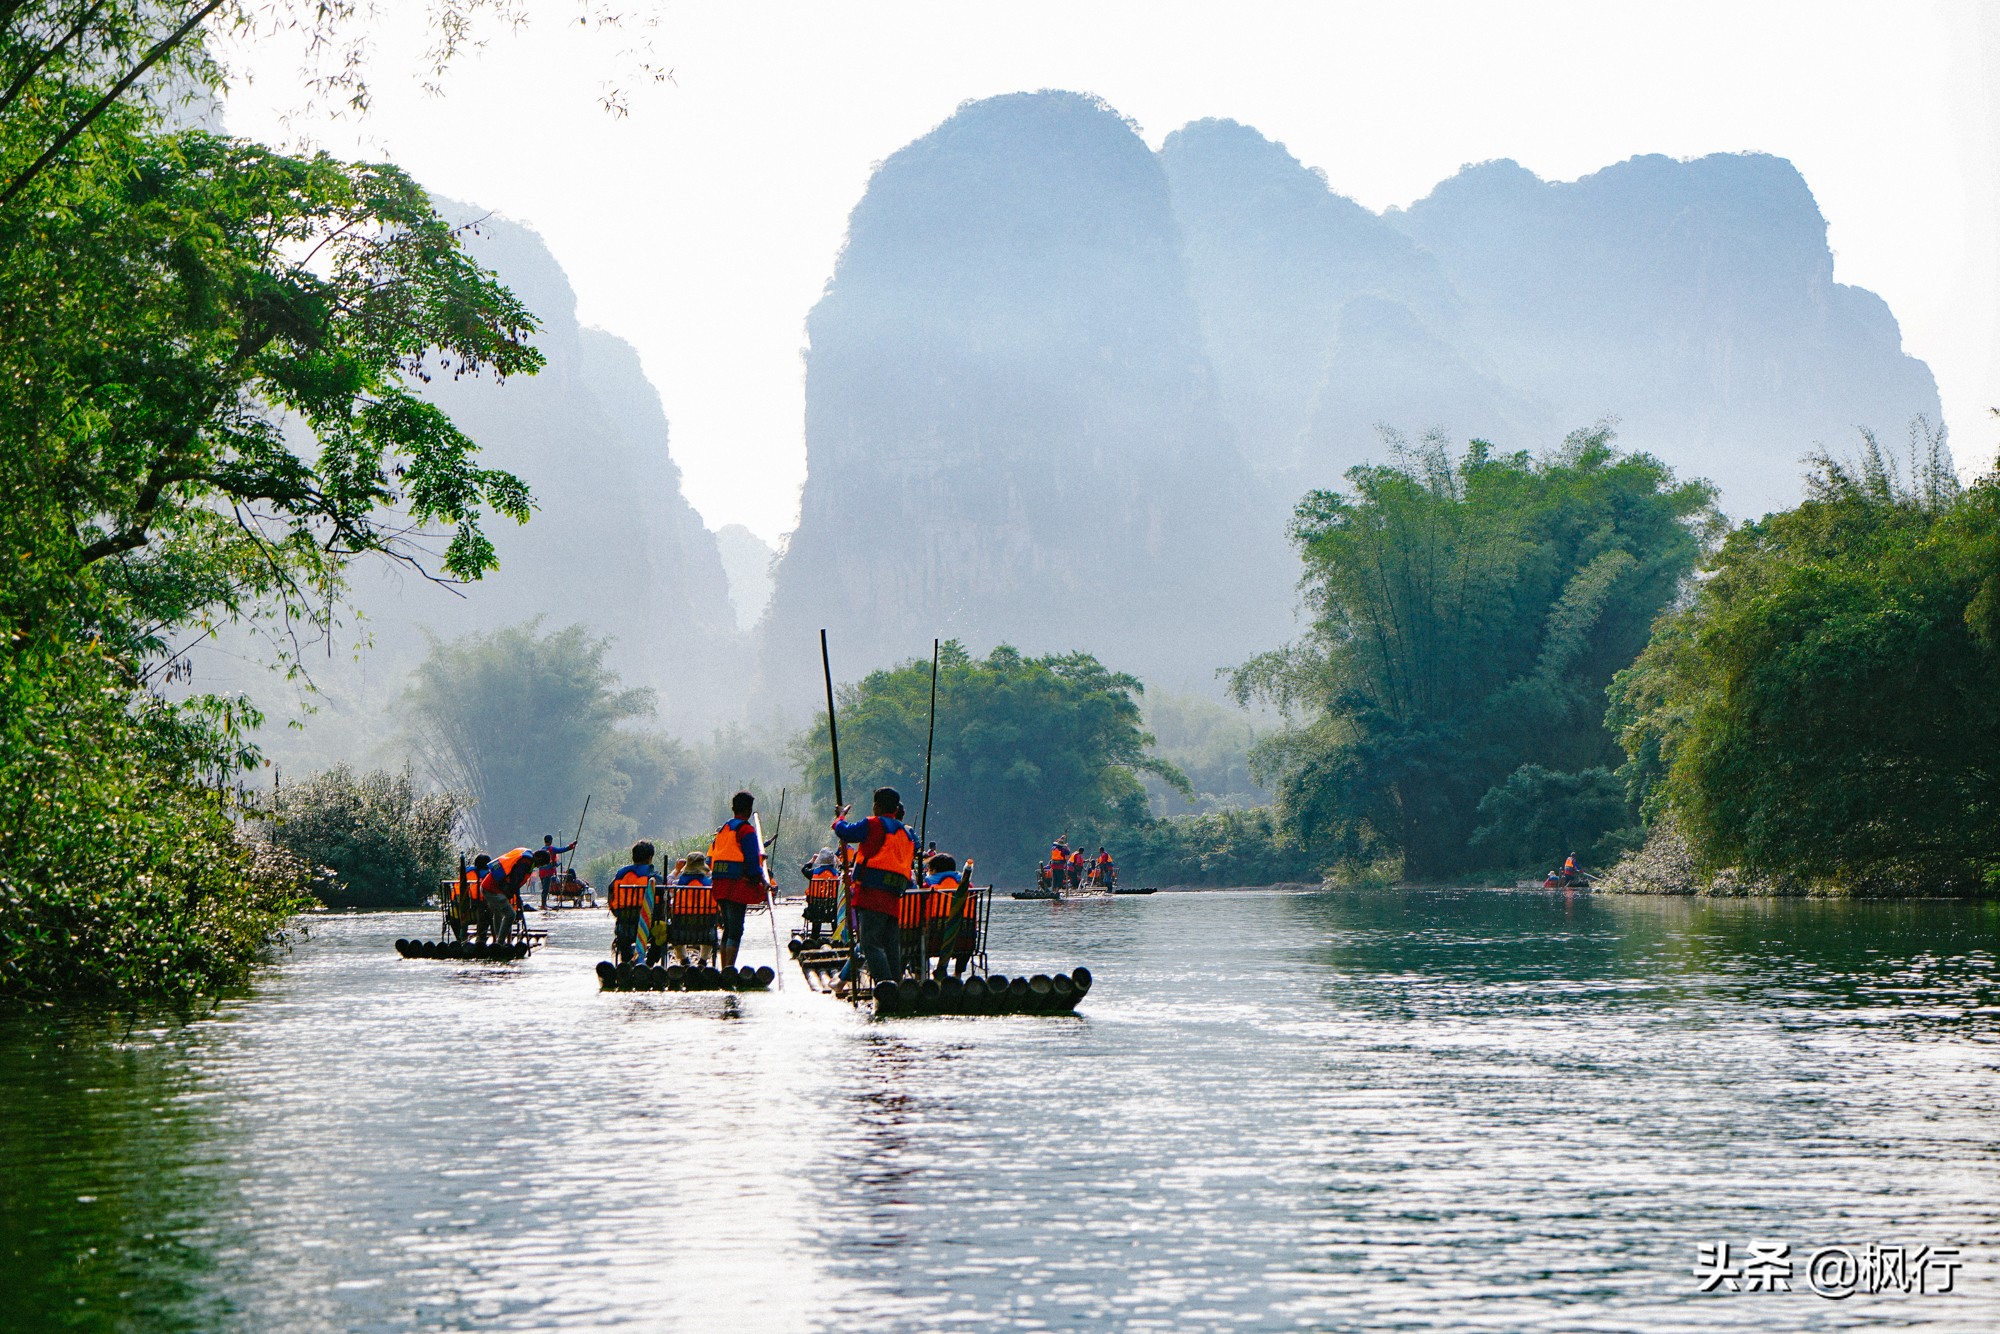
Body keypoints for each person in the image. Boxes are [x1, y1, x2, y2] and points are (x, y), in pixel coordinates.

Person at [831, 786, 916, 991]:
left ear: (876, 806)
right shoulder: (908, 833)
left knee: (870, 944)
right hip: (894, 895)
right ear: (896, 808)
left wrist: (840, 817)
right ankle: (896, 983)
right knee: (890, 945)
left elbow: (845, 832)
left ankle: (886, 985)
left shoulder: (874, 824)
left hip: (871, 893)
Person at [708, 791, 775, 970]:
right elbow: (753, 863)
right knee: (736, 930)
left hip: (719, 884)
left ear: (733, 808)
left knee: (728, 929)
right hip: (736, 885)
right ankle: (729, 969)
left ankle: (725, 968)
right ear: (749, 809)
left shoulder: (723, 829)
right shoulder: (746, 830)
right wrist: (763, 880)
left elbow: (710, 859)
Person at [481, 846, 550, 945]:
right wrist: (518, 899)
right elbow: (515, 880)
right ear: (539, 858)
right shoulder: (525, 863)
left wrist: (515, 896)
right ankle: (500, 943)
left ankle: (498, 941)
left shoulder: (526, 857)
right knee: (510, 914)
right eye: (542, 864)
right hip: (492, 888)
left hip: (488, 885)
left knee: (498, 913)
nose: (539, 867)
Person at [607, 841, 656, 965]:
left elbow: (611, 893)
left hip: (624, 923)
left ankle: (626, 961)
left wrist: (616, 912)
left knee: (623, 937)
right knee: (661, 933)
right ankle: (649, 963)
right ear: (650, 858)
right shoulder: (652, 875)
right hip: (647, 926)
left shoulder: (620, 875)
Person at [669, 852, 715, 966]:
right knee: (710, 930)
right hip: (705, 928)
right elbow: (714, 877)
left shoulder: (678, 884)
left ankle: (684, 960)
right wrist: (708, 871)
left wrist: (676, 870)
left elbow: (667, 881)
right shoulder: (710, 884)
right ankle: (703, 961)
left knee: (672, 928)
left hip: (681, 928)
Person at [801, 847, 840, 943]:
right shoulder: (838, 874)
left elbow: (804, 869)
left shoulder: (813, 873)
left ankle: (814, 937)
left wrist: (812, 859)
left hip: (815, 910)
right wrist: (839, 862)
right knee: (834, 913)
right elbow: (845, 869)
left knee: (817, 916)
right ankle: (836, 937)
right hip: (833, 910)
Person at [537, 833, 578, 909]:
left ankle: (544, 904)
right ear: (550, 841)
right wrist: (572, 845)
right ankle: (543, 905)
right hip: (547, 872)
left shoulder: (541, 850)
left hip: (541, 872)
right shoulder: (551, 849)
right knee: (545, 889)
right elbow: (562, 849)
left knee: (544, 889)